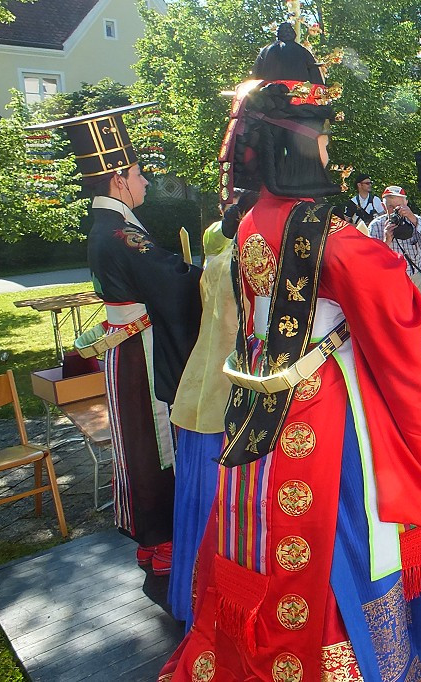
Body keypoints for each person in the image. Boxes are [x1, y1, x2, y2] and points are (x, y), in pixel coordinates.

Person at [161, 79, 421, 681]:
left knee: (265, 519)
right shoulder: (326, 234)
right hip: (327, 400)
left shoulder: (246, 225)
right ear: (296, 148)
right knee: (350, 518)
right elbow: (396, 302)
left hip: (260, 398)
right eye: (321, 142)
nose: (328, 154)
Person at [29, 104, 203, 575]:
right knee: (153, 440)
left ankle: (149, 537)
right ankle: (163, 539)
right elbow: (174, 281)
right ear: (118, 179)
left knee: (136, 439)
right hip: (141, 351)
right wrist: (218, 274)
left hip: (124, 346)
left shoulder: (106, 228)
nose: (146, 182)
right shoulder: (124, 234)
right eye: (140, 173)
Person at [168, 191, 257, 628]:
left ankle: (191, 597)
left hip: (198, 388)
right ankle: (213, 609)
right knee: (219, 510)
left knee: (194, 501)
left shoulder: (216, 243)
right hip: (229, 392)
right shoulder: (248, 256)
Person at [368, 185, 421, 302]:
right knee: (395, 319)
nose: (395, 211)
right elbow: (372, 261)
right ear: (383, 206)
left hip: (415, 278)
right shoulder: (376, 225)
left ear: (406, 203)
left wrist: (414, 220)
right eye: (390, 207)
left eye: (399, 207)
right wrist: (386, 241)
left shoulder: (415, 220)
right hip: (390, 281)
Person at [251, 21, 324, 85]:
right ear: (293, 34)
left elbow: (255, 78)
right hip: (300, 97)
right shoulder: (304, 52)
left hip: (268, 97)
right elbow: (316, 80)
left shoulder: (266, 51)